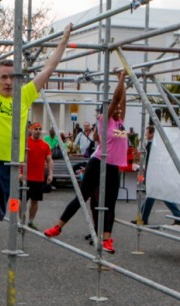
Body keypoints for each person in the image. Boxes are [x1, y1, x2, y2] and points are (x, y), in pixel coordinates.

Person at [0, 16, 72, 294]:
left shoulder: (25, 95)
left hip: (8, 167)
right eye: (4, 77)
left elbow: (50, 67)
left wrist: (64, 40)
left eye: (12, 77)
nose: (8, 81)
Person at [44, 71, 128, 254]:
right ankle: (58, 227)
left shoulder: (120, 123)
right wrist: (121, 78)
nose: (119, 111)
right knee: (83, 197)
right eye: (116, 109)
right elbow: (116, 99)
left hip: (113, 167)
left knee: (110, 203)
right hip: (98, 163)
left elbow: (122, 101)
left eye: (120, 110)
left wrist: (123, 82)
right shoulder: (104, 121)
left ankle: (107, 239)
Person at [134, 125, 180, 225]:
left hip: (155, 173)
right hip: (155, 173)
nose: (146, 134)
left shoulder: (154, 145)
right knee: (156, 195)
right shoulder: (152, 144)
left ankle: (144, 218)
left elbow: (152, 160)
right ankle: (177, 215)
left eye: (147, 132)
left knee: (153, 195)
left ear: (152, 133)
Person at [20, 123, 53, 230]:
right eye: (36, 129)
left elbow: (49, 160)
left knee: (35, 201)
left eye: (40, 129)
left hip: (38, 178)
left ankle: (30, 221)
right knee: (20, 201)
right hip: (24, 177)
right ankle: (19, 221)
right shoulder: (24, 143)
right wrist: (18, 173)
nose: (38, 131)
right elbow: (17, 158)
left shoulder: (45, 145)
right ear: (31, 130)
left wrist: (50, 174)